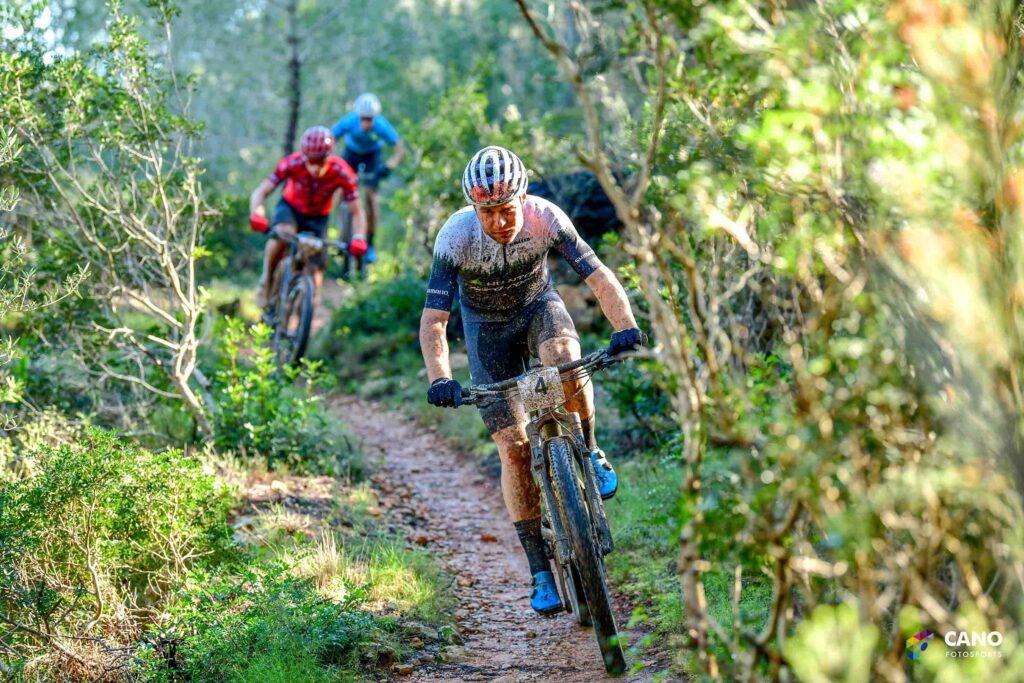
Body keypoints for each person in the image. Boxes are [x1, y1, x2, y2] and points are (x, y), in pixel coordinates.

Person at [418, 146, 645, 616]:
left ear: (523, 198)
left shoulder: (547, 218)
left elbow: (599, 278)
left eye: (506, 209)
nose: (499, 221)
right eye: (487, 212)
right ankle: (540, 570)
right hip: (486, 330)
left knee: (565, 358)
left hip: (539, 307)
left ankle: (591, 448)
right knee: (514, 448)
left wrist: (625, 327)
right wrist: (441, 378)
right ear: (473, 208)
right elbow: (435, 320)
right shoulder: (455, 238)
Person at [249, 126, 367, 313]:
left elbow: (357, 211)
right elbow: (261, 191)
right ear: (304, 155)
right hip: (290, 209)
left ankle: (307, 308)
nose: (315, 167)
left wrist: (359, 236)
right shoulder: (292, 163)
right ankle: (267, 280)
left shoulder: (342, 172)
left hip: (318, 217)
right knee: (282, 235)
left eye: (320, 162)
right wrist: (257, 213)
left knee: (317, 265)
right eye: (310, 161)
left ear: (329, 156)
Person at [330, 93, 405, 264]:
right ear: (358, 116)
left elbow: (400, 149)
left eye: (370, 119)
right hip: (351, 154)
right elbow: (330, 138)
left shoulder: (381, 125)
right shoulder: (349, 121)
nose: (366, 123)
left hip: (372, 156)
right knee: (340, 190)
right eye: (363, 118)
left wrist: (388, 167)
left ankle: (369, 242)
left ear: (375, 117)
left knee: (371, 196)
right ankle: (340, 231)